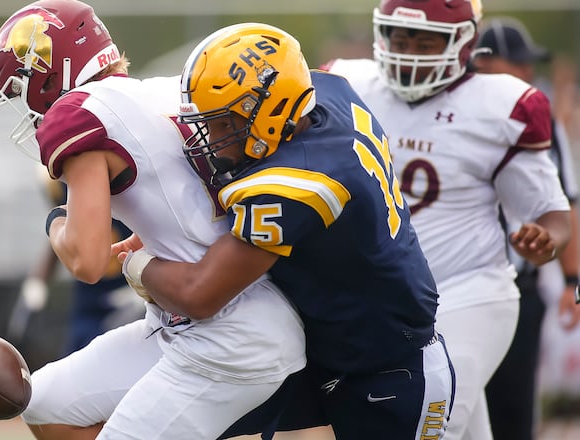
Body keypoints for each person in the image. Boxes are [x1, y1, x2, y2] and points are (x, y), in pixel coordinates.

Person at [118, 21, 456, 439]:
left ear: (273, 111)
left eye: (225, 124)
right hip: (337, 353)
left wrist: (138, 263)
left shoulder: (301, 183)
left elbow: (199, 295)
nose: (213, 138)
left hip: (392, 370)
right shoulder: (325, 93)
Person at [0, 1, 306, 439]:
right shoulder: (163, 91)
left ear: (48, 72)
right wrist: (149, 235)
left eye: (19, 88)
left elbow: (88, 261)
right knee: (44, 404)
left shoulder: (79, 114)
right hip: (187, 322)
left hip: (231, 336)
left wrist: (56, 223)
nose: (25, 107)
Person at [321, 1, 572, 438]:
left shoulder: (501, 105)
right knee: (456, 425)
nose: (410, 51)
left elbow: (554, 214)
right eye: (401, 38)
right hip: (386, 300)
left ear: (463, 42)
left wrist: (545, 238)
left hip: (468, 290)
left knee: (425, 421)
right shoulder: (348, 84)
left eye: (425, 41)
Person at [472, 17, 580, 440]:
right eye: (518, 63)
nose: (528, 72)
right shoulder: (442, 112)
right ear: (485, 61)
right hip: (443, 286)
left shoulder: (537, 116)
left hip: (518, 284)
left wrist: (573, 280)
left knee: (511, 412)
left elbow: (566, 202)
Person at [6, 170, 144, 367]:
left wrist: (143, 292)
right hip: (89, 297)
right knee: (75, 364)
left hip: (132, 287)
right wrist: (33, 291)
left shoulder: (126, 168)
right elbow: (64, 236)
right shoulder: (62, 178)